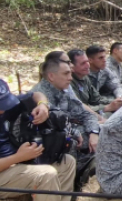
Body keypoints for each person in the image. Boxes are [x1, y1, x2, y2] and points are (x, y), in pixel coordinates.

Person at [32, 53, 101, 190]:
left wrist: (94, 133)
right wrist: (73, 132)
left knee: (103, 133)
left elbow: (86, 115)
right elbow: (48, 130)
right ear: (51, 76)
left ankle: (90, 174)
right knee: (71, 142)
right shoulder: (39, 97)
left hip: (72, 139)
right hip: (48, 149)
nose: (70, 78)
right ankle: (78, 183)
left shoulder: (62, 91)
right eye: (66, 74)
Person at [68, 49, 122, 118]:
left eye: (87, 62)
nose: (87, 65)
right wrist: (106, 107)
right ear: (72, 67)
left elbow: (96, 98)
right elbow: (79, 107)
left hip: (92, 110)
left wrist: (115, 102)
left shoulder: (84, 77)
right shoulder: (68, 82)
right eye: (83, 63)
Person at [84, 45, 122, 110]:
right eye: (100, 58)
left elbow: (116, 86)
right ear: (90, 60)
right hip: (87, 105)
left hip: (99, 101)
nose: (104, 60)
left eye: (104, 57)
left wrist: (120, 98)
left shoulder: (105, 70)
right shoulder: (83, 73)